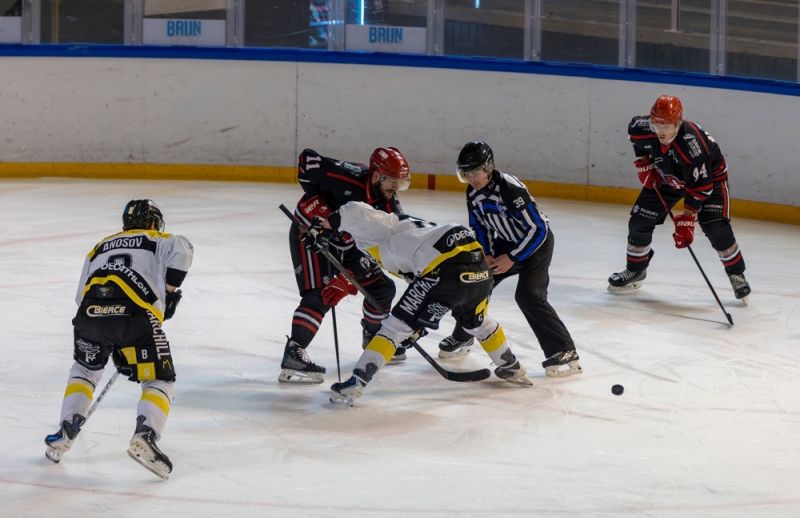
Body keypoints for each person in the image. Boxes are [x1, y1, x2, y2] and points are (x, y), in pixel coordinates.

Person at [308, 201, 532, 405]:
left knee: (395, 328)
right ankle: (512, 367)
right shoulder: (415, 234)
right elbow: (426, 290)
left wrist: (323, 225)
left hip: (446, 266)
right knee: (475, 322)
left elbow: (354, 209)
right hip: (478, 269)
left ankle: (356, 383)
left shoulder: (382, 227)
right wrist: (417, 326)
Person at [45, 199, 193, 480]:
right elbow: (183, 249)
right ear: (152, 223)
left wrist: (111, 340)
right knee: (160, 379)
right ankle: (146, 434)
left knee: (85, 369)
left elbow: (80, 294)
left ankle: (66, 428)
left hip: (89, 314)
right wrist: (170, 292)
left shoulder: (99, 246)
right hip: (135, 315)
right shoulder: (155, 238)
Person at [435, 142, 582, 378]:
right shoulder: (472, 192)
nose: (472, 178)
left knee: (529, 296)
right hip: (505, 244)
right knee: (475, 283)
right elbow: (479, 226)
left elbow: (538, 229)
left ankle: (564, 351)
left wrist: (512, 257)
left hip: (536, 246)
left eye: (476, 172)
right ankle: (464, 337)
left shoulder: (510, 189)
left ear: (489, 167)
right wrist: (488, 253)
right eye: (466, 173)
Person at [281, 147, 410, 384]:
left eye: (400, 183)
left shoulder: (389, 210)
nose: (396, 189)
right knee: (321, 293)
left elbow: (380, 250)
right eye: (392, 181)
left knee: (382, 288)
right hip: (310, 231)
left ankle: (373, 338)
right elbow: (306, 159)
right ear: (376, 175)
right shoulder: (344, 177)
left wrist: (349, 279)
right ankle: (294, 352)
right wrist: (317, 203)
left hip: (348, 240)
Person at [608, 95, 751, 301]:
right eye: (657, 124)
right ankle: (636, 270)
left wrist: (687, 217)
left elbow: (701, 186)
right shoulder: (641, 127)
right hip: (668, 177)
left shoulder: (693, 147)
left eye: (667, 126)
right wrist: (644, 163)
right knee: (639, 222)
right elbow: (637, 140)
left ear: (679, 123)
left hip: (709, 180)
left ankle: (736, 274)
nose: (660, 131)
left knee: (715, 226)